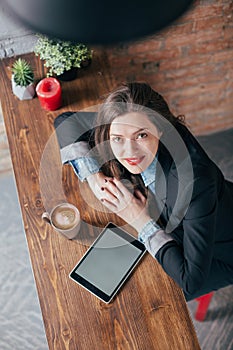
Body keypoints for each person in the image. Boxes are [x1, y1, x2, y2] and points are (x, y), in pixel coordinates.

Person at [54, 82, 233, 301]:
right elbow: (65, 122)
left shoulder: (194, 184)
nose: (129, 153)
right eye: (118, 139)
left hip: (222, 251)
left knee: (157, 295)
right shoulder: (127, 120)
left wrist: (139, 219)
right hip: (190, 214)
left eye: (141, 136)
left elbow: (190, 281)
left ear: (161, 128)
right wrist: (94, 178)